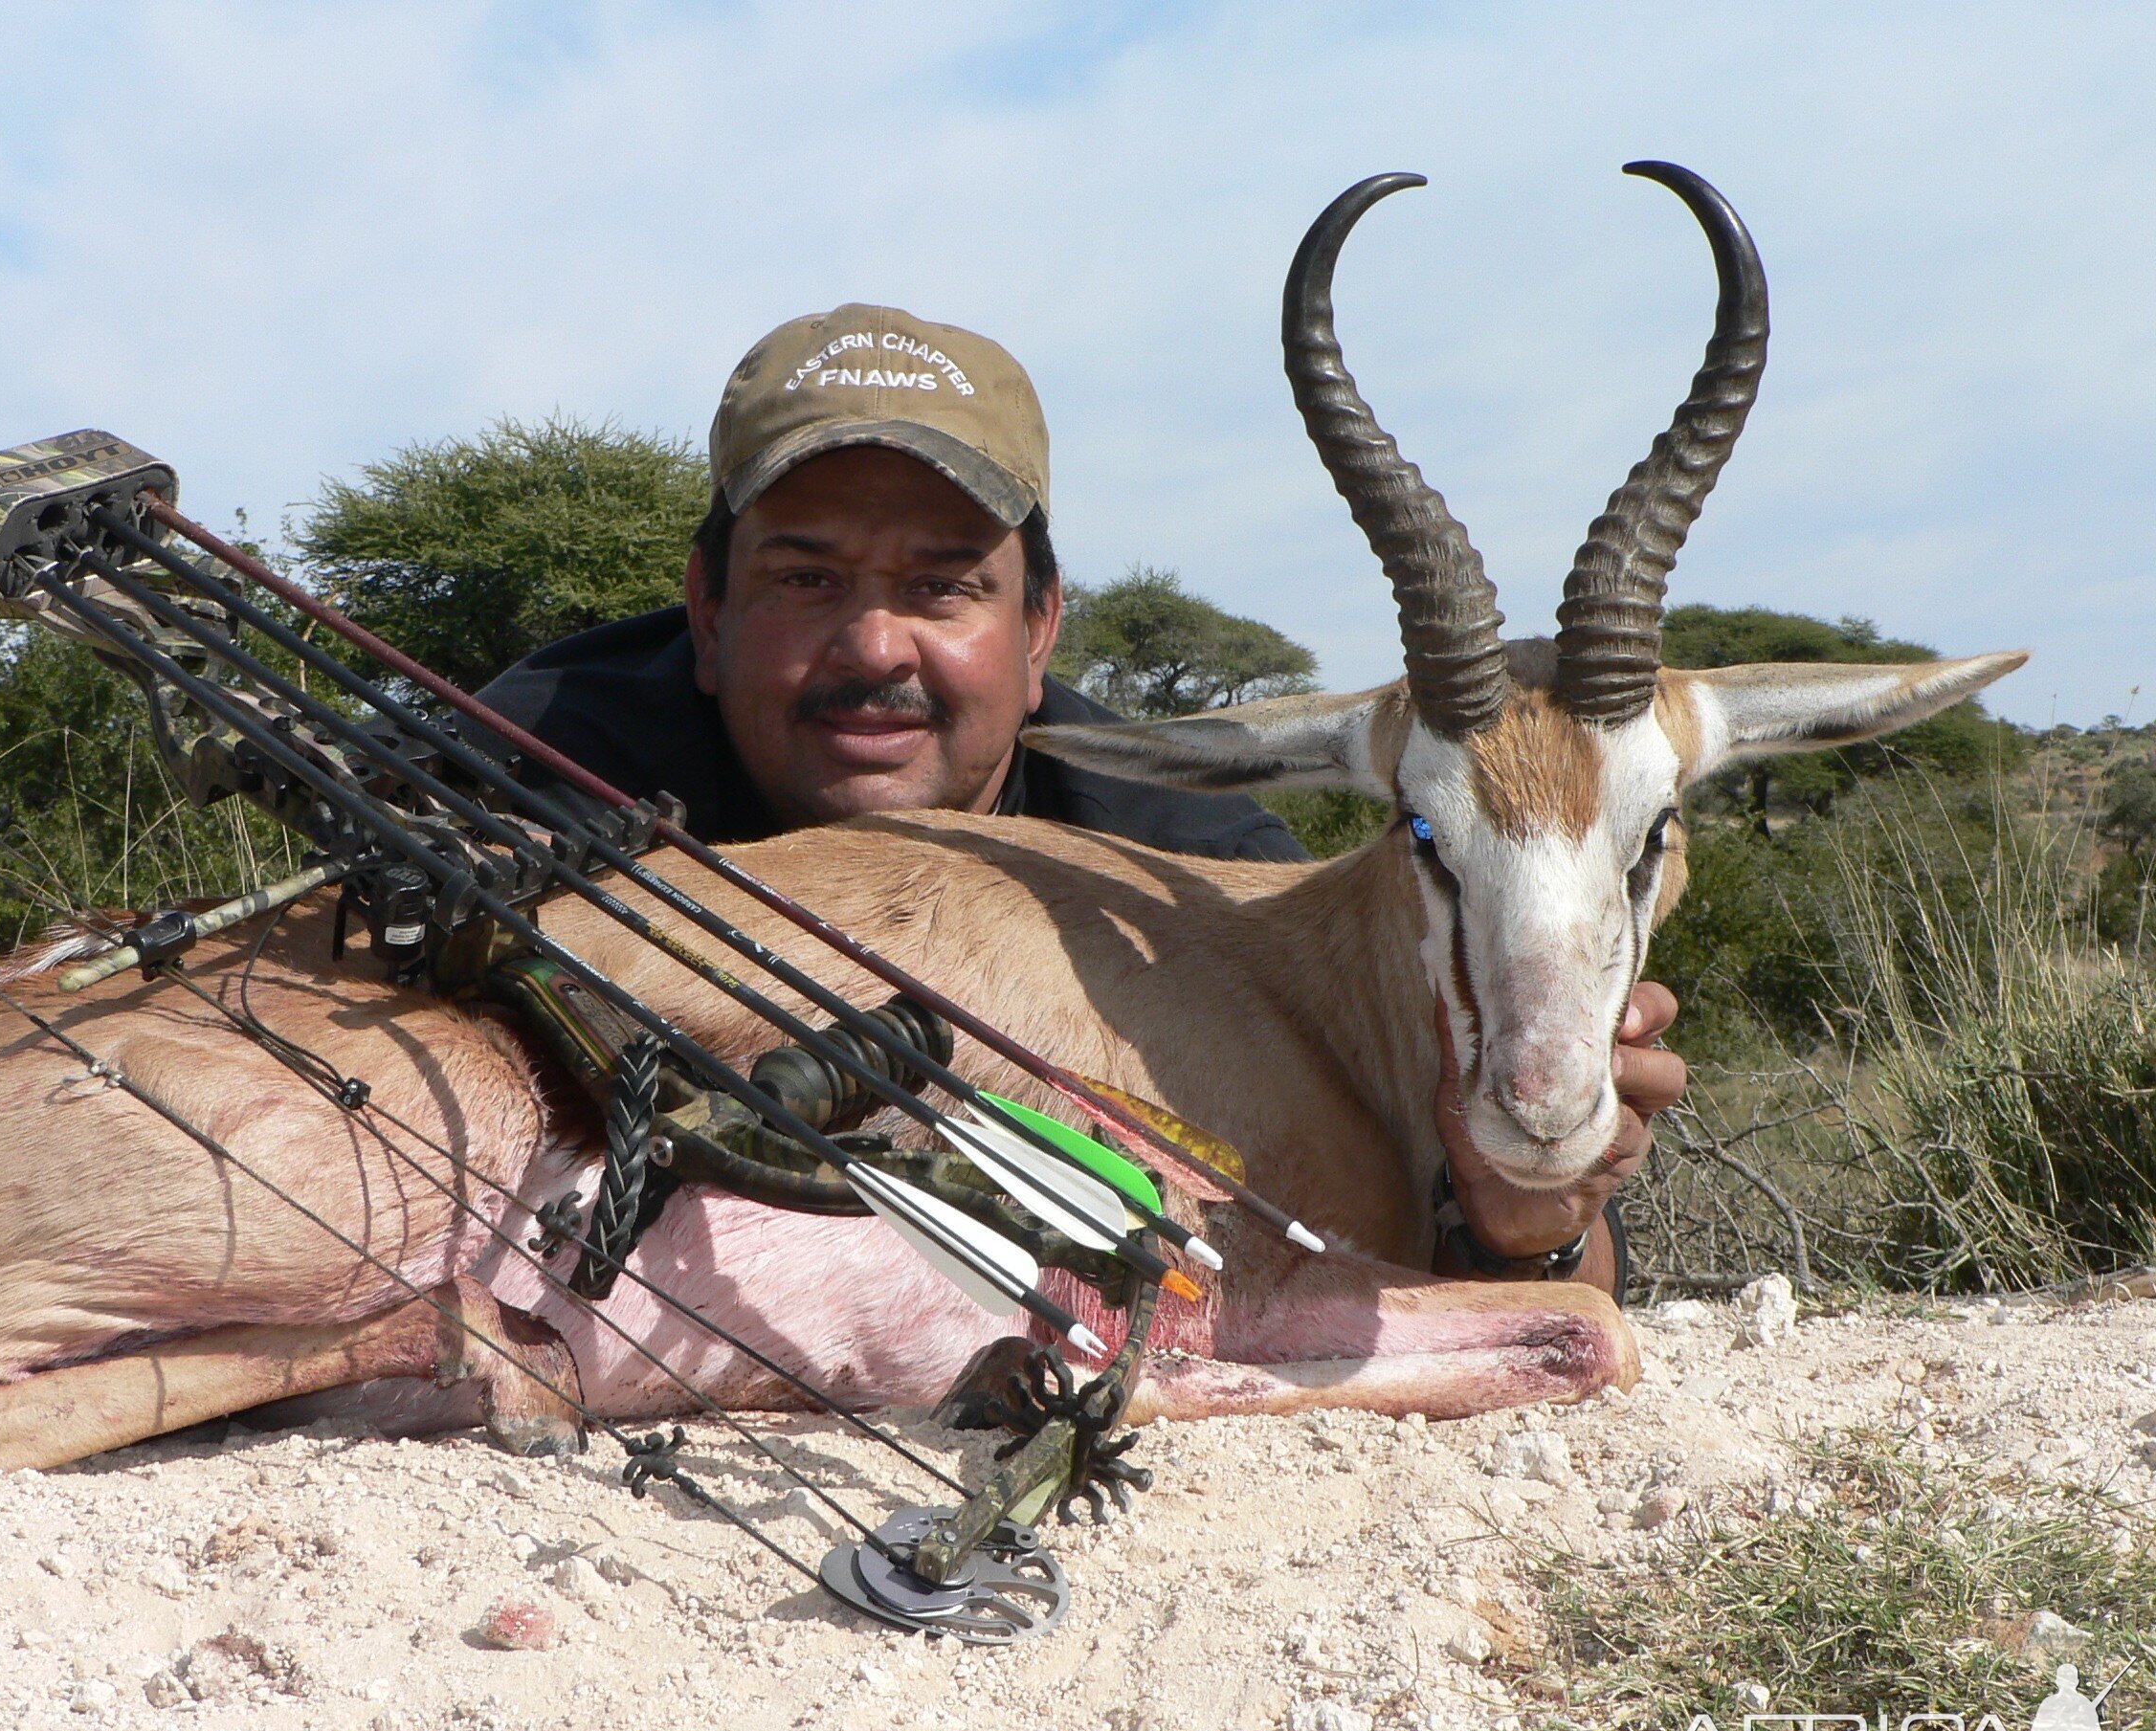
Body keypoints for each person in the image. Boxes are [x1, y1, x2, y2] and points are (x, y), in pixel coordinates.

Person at [472, 302, 1683, 1295]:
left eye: (944, 588)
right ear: (708, 610)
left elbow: (1499, 1277)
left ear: (1040, 627)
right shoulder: (533, 756)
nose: (875, 645)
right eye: (806, 577)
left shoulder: (1177, 852)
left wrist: (1529, 1222)